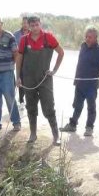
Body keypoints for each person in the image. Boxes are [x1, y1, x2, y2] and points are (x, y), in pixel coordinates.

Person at [16, 16, 64, 145]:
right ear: (28, 26)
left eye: (37, 25)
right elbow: (19, 58)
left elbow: (61, 52)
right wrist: (18, 77)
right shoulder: (24, 40)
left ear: (40, 24)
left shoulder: (48, 38)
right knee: (30, 106)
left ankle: (55, 135)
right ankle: (33, 133)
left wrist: (54, 70)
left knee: (48, 107)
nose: (35, 27)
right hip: (28, 79)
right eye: (32, 25)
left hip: (44, 78)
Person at [60, 26, 99, 137]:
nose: (87, 39)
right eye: (86, 36)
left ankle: (89, 128)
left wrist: (96, 74)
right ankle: (72, 125)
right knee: (77, 105)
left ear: (96, 37)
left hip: (91, 85)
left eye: (90, 37)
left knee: (91, 107)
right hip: (79, 83)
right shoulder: (83, 46)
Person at [0, 16, 22, 132]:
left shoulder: (9, 36)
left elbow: (16, 54)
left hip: (7, 73)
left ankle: (16, 123)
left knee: (10, 98)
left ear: (1, 24)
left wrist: (16, 73)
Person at [13, 17, 28, 107]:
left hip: (29, 61)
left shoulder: (32, 33)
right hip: (19, 60)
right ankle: (21, 99)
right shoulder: (16, 34)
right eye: (23, 23)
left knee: (28, 80)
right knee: (20, 79)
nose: (25, 25)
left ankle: (27, 98)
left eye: (26, 23)